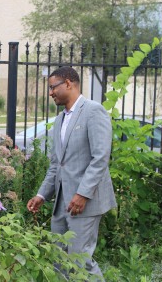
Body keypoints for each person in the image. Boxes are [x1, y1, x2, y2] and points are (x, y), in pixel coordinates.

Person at [27, 66, 117, 278]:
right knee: (58, 259)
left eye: (53, 87)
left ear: (68, 83)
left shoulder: (94, 111)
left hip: (85, 202)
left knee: (80, 260)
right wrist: (42, 195)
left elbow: (100, 158)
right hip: (61, 204)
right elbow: (57, 164)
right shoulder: (60, 120)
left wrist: (82, 194)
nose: (50, 93)